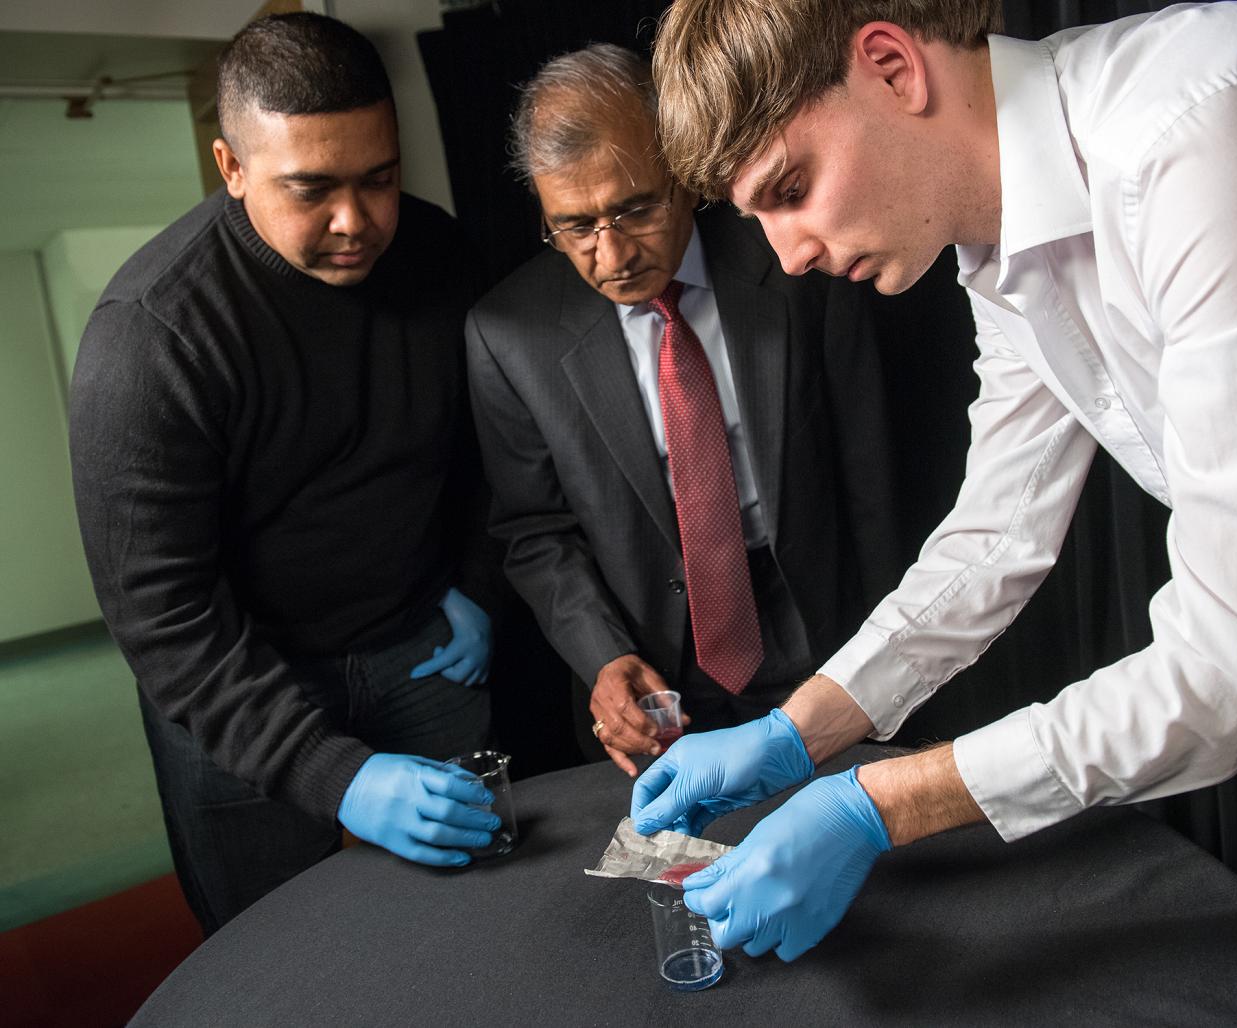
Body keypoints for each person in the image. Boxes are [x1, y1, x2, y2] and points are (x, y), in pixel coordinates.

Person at [631, 1, 1237, 1021]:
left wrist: (881, 803)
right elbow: (998, 534)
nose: (786, 254)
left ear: (890, 65)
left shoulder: (1210, 127)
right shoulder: (998, 230)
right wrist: (801, 730)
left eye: (790, 189)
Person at [70, 12, 503, 936]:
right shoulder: (152, 337)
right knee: (271, 948)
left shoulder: (438, 253)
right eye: (312, 190)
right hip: (240, 684)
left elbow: (494, 444)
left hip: (420, 647)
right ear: (230, 169)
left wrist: (475, 583)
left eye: (379, 179)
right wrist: (333, 773)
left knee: (485, 912)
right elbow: (162, 614)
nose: (356, 222)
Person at [466, 44, 899, 777]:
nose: (612, 256)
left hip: (827, 627)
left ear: (685, 176)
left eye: (635, 209)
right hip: (655, 669)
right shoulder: (508, 334)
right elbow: (535, 532)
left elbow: (872, 465)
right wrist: (604, 656)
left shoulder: (797, 262)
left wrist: (894, 648)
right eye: (574, 226)